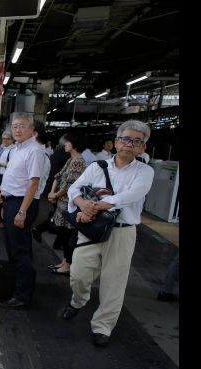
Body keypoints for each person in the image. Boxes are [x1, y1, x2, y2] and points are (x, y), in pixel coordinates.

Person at [60, 120, 155, 348]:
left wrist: (99, 205)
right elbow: (74, 189)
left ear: (142, 147)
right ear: (115, 142)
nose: (129, 144)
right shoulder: (97, 167)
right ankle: (78, 300)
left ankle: (102, 327)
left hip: (122, 233)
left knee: (114, 283)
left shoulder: (145, 172)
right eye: (125, 139)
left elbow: (132, 194)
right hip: (92, 228)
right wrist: (84, 204)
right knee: (79, 273)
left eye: (136, 141)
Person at [0, 114, 46, 308]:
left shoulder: (34, 151)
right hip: (11, 203)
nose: (17, 130)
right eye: (14, 126)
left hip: (21, 203)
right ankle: (19, 288)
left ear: (33, 130)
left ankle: (22, 296)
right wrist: (5, 205)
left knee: (20, 251)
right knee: (14, 248)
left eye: (22, 126)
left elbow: (33, 182)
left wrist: (22, 212)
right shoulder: (18, 149)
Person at [46, 132, 87, 275]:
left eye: (67, 142)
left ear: (74, 144)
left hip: (69, 205)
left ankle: (68, 264)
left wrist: (55, 194)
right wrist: (53, 193)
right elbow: (58, 176)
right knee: (64, 234)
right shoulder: (71, 159)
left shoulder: (78, 161)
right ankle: (65, 262)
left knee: (68, 236)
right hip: (61, 202)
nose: (65, 145)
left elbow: (70, 185)